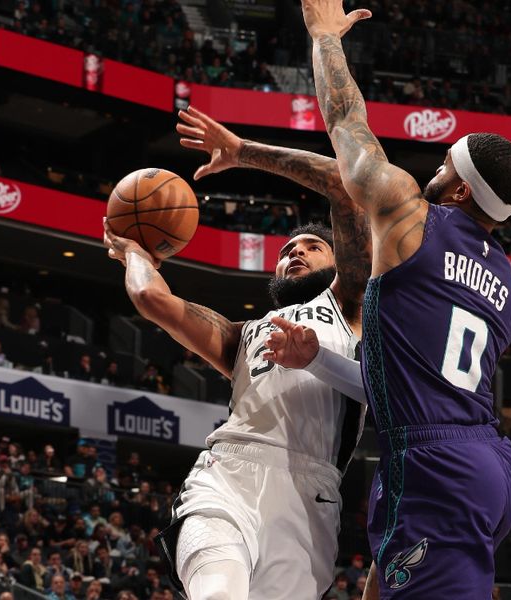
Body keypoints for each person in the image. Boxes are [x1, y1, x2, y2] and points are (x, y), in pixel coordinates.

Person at [264, 5, 511, 596]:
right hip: (489, 462)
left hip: (436, 464)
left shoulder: (410, 214)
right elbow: (413, 371)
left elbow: (345, 122)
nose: (433, 171)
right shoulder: (507, 284)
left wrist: (326, 37)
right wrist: (320, 359)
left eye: (445, 164)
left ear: (459, 188)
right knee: (385, 585)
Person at [104, 105, 371, 600]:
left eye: (312, 246)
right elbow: (150, 298)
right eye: (288, 248)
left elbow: (340, 181)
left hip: (310, 500)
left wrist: (244, 152)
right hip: (228, 475)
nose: (295, 251)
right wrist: (135, 252)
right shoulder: (240, 335)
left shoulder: (352, 305)